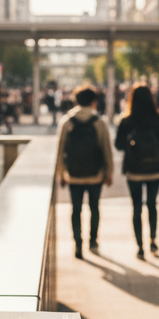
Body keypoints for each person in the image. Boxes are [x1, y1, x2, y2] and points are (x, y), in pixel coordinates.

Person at [56, 85, 114, 259]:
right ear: (93, 102)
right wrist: (108, 172)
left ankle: (78, 243)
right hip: (95, 174)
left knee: (76, 209)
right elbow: (106, 149)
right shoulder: (99, 122)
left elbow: (60, 150)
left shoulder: (67, 121)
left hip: (73, 175)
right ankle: (93, 240)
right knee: (94, 208)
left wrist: (61, 173)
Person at [115, 84, 159, 260]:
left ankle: (140, 246)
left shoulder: (127, 120)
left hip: (134, 169)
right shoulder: (158, 118)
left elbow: (118, 145)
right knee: (152, 204)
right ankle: (153, 239)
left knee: (136, 206)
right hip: (154, 168)